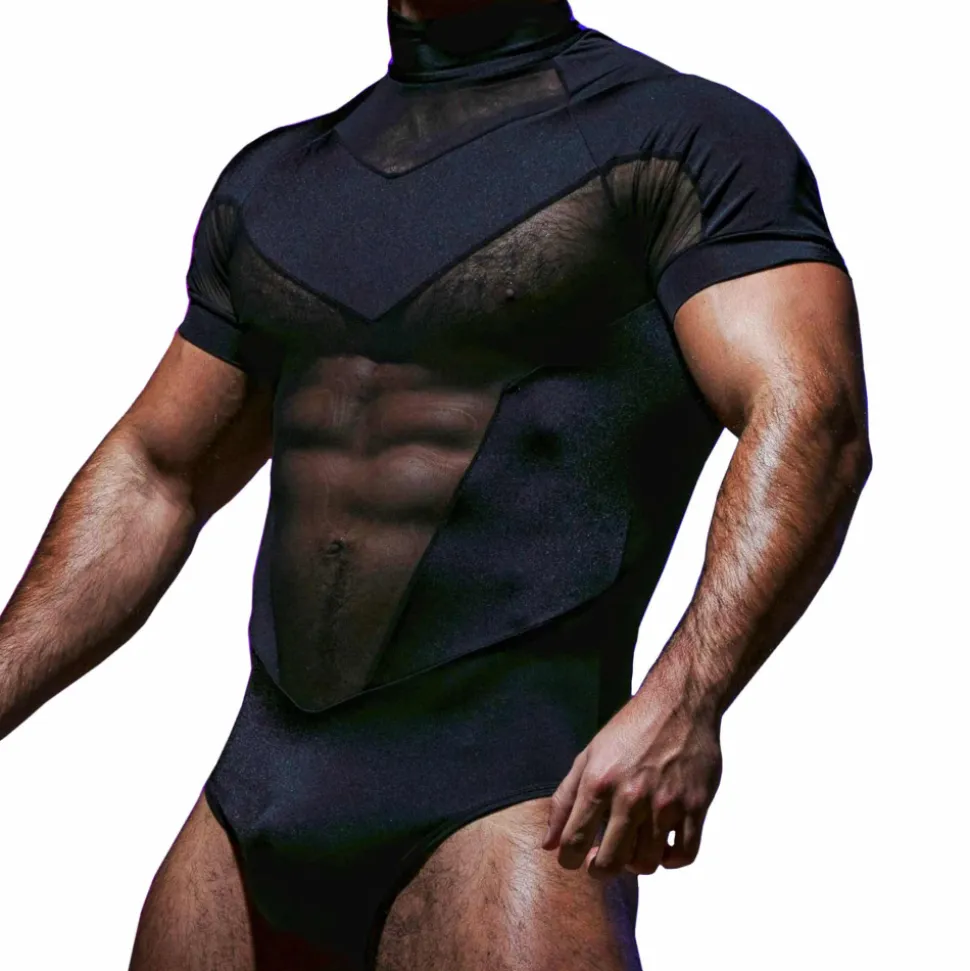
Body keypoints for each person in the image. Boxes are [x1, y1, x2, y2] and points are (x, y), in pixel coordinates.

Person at [0, 0, 871, 968]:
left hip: (503, 807)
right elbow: (158, 473)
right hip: (251, 811)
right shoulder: (277, 182)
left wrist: (687, 697)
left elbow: (813, 416)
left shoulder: (682, 140)